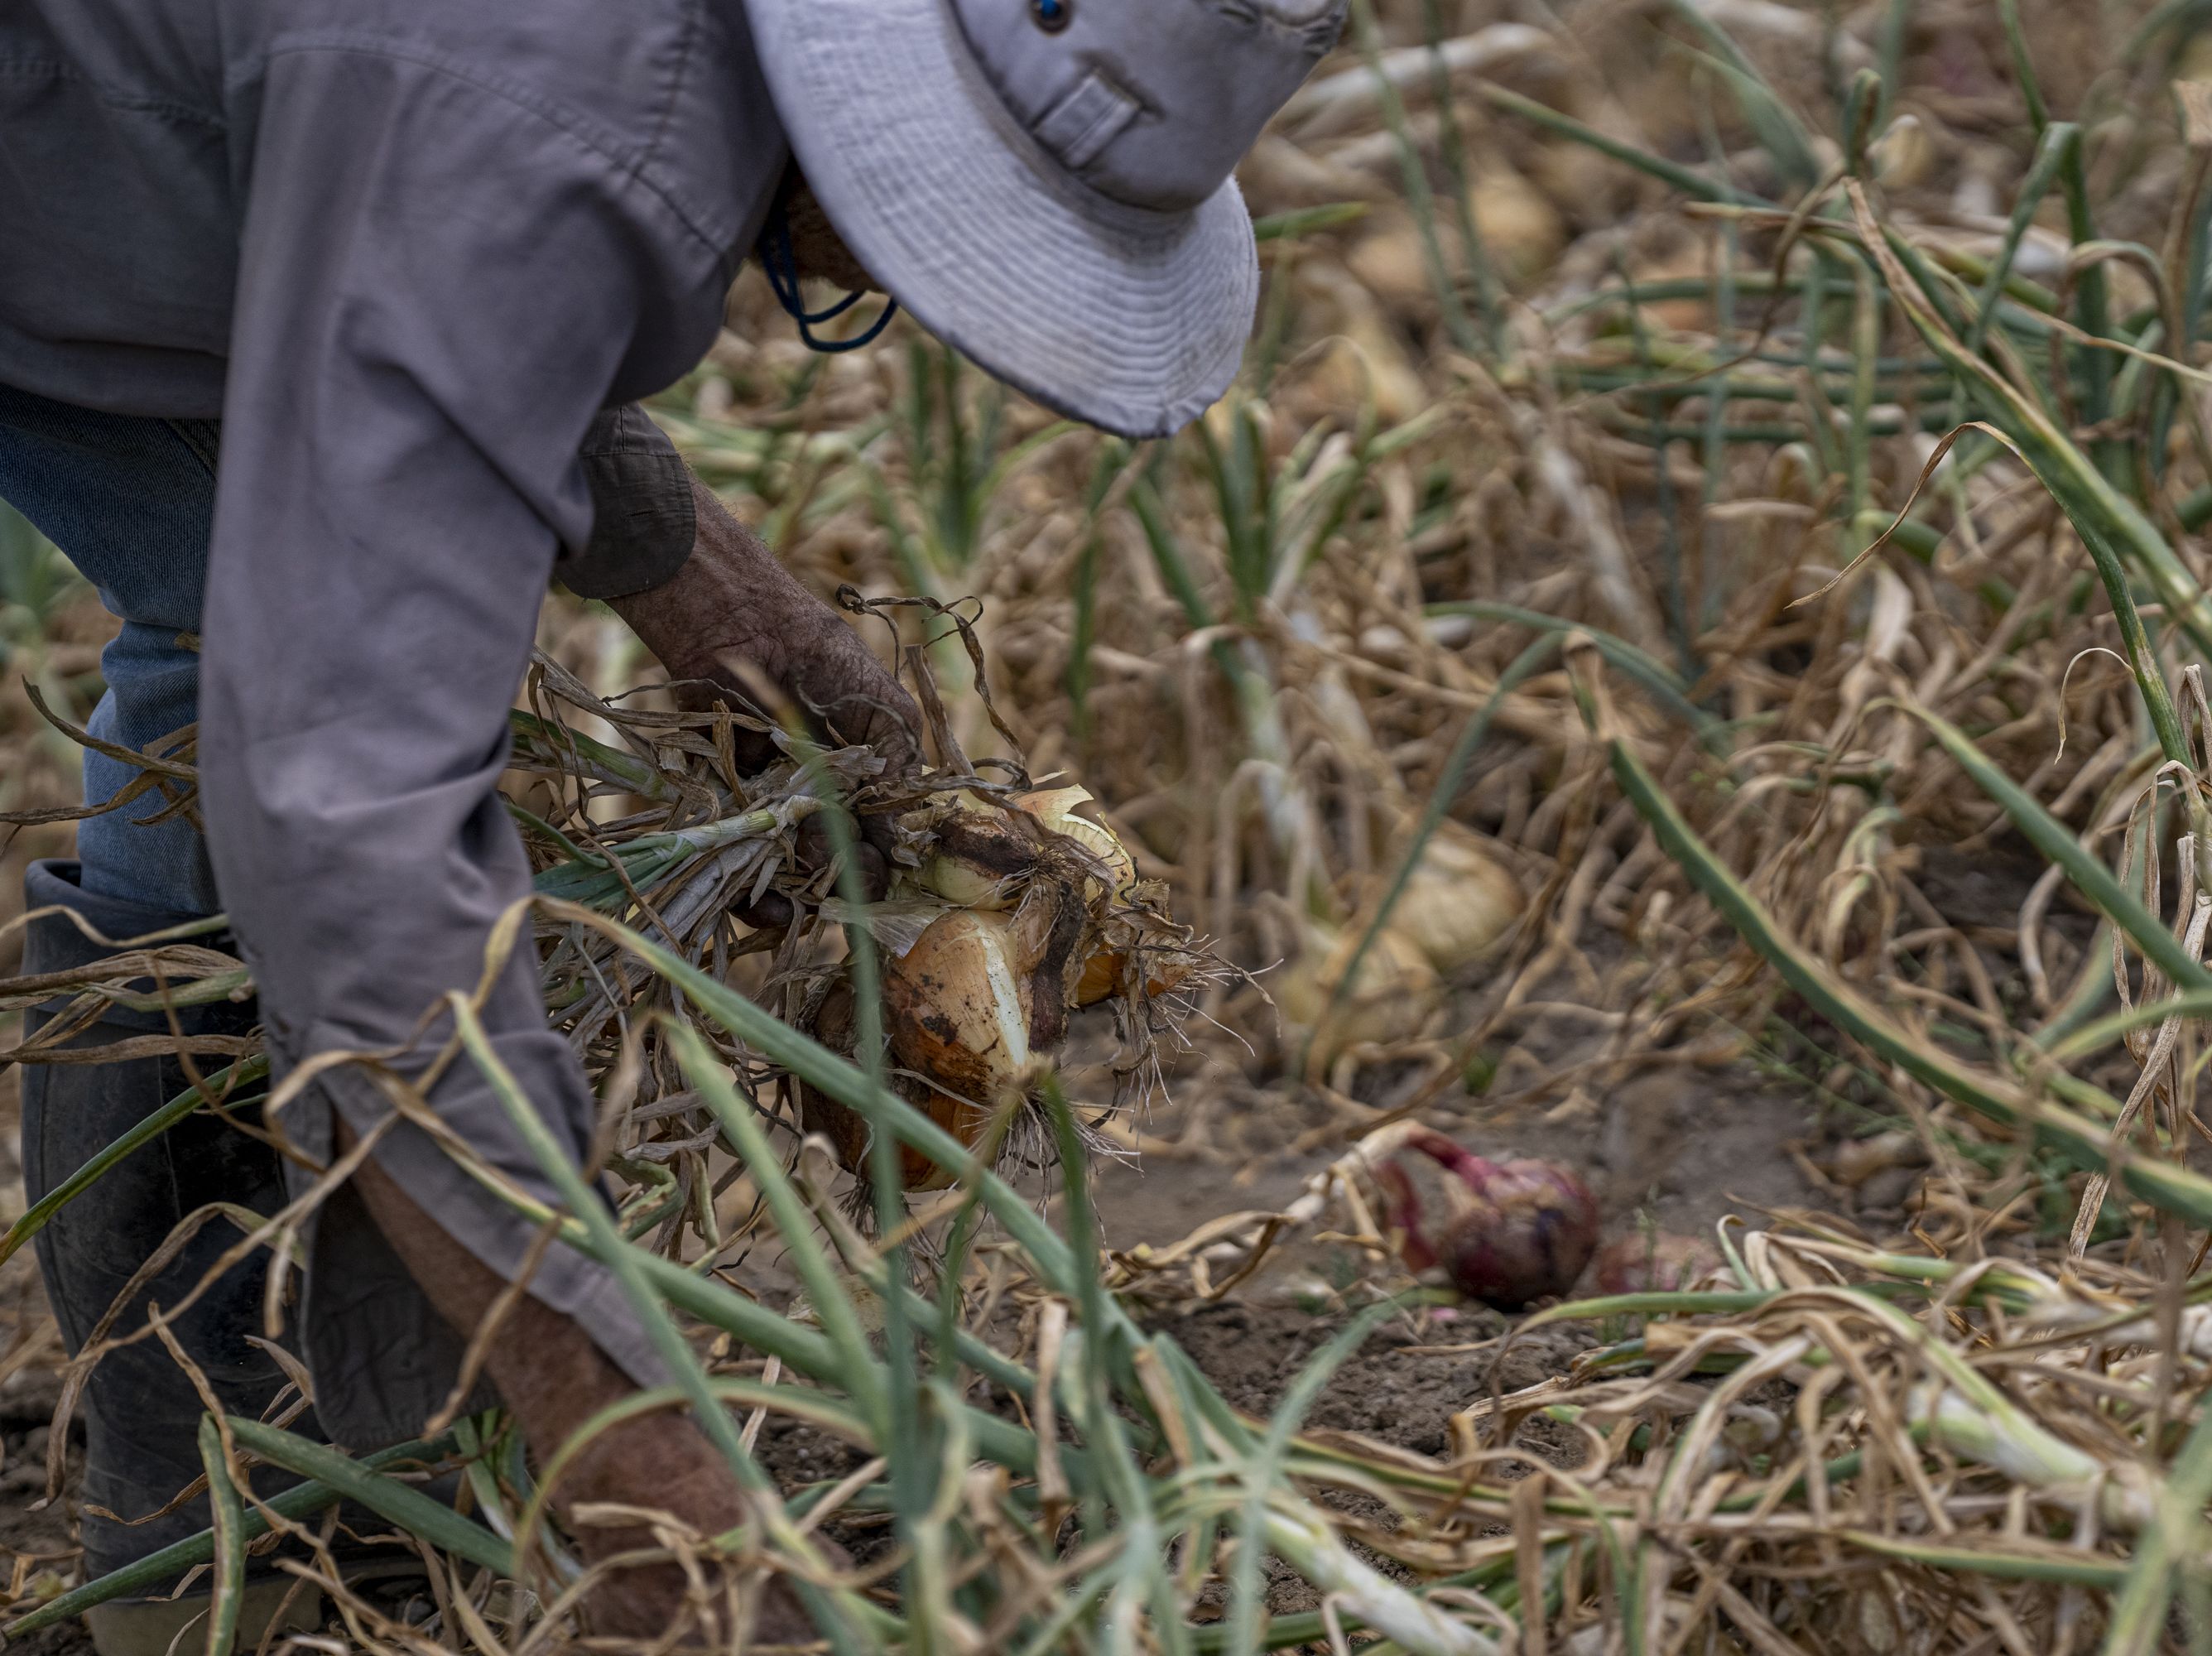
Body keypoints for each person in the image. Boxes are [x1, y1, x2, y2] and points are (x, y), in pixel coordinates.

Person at [0, 0, 1342, 1644]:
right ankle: (230, 1526)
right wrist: (629, 1453)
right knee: (317, 759)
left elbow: (396, 246)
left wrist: (694, 572)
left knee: (235, 634)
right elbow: (349, 815)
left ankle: (230, 1521)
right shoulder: (551, 94)